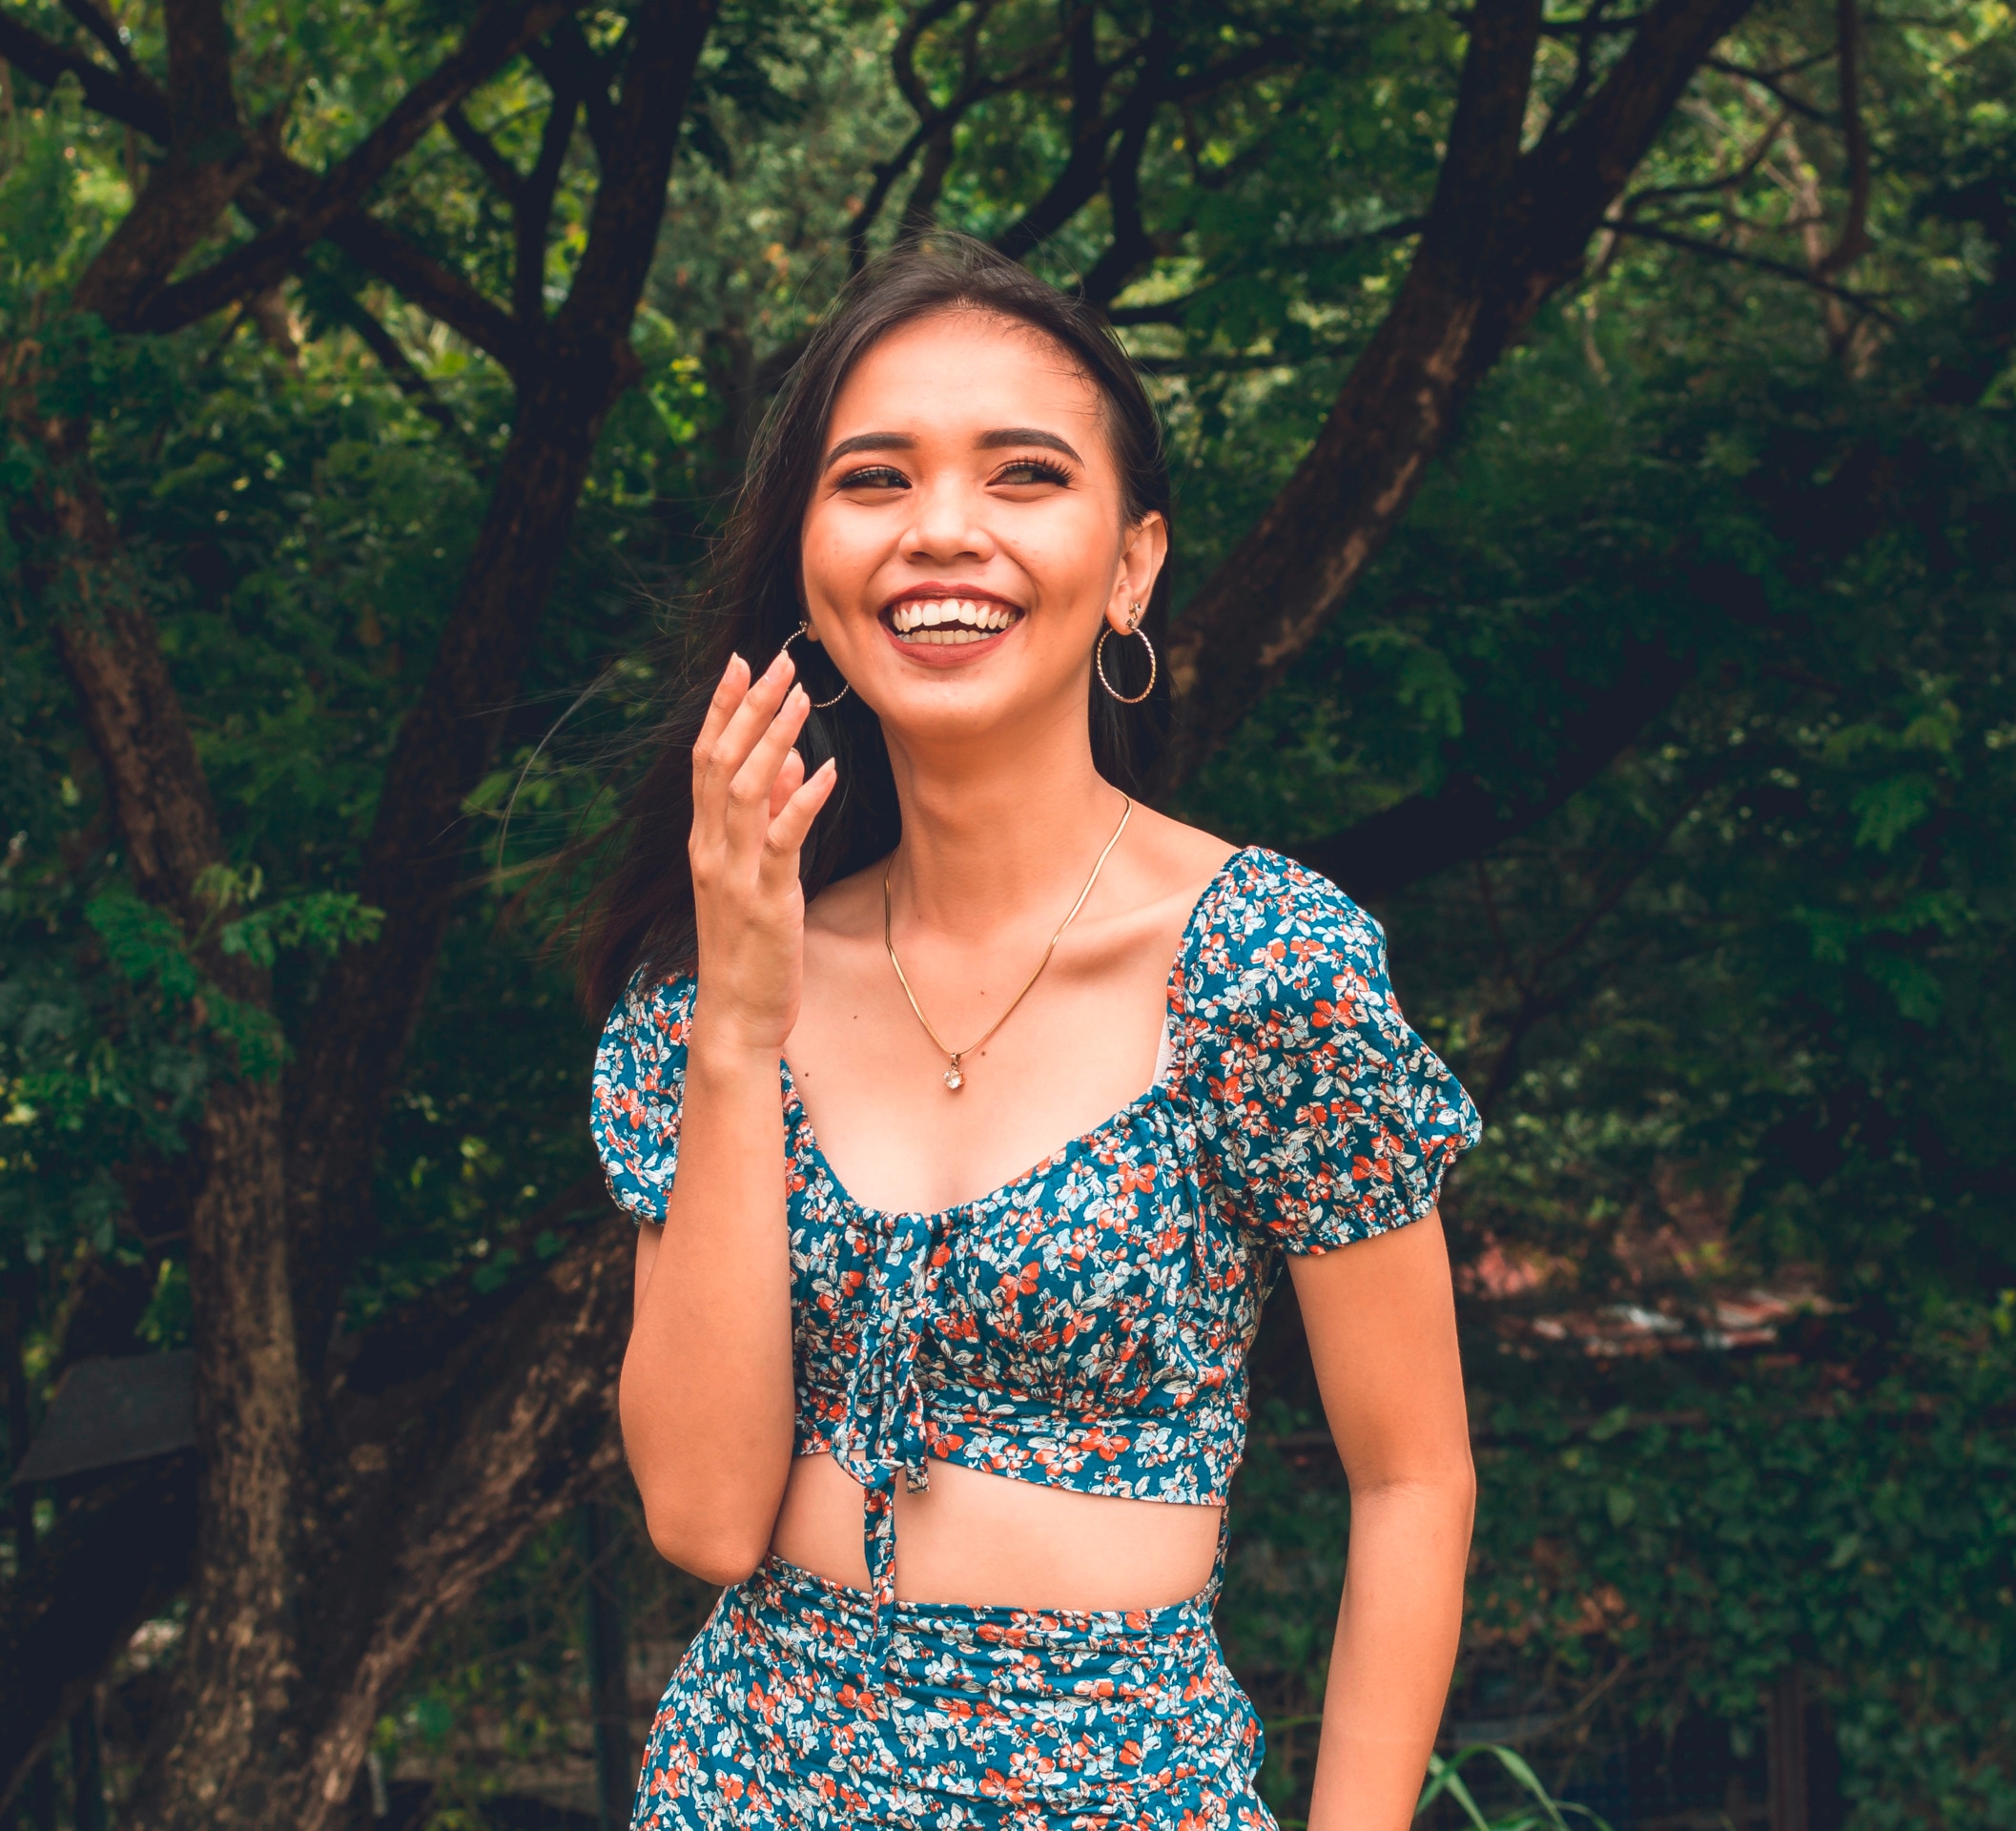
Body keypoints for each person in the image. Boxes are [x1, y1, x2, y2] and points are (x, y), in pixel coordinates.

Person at [578, 234, 1482, 1831]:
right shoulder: (713, 995)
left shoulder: (1269, 970)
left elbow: (1411, 1479)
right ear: (808, 560)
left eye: (1022, 477)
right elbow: (708, 1518)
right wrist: (740, 1023)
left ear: (1130, 564)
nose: (942, 532)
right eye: (874, 480)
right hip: (747, 1782)